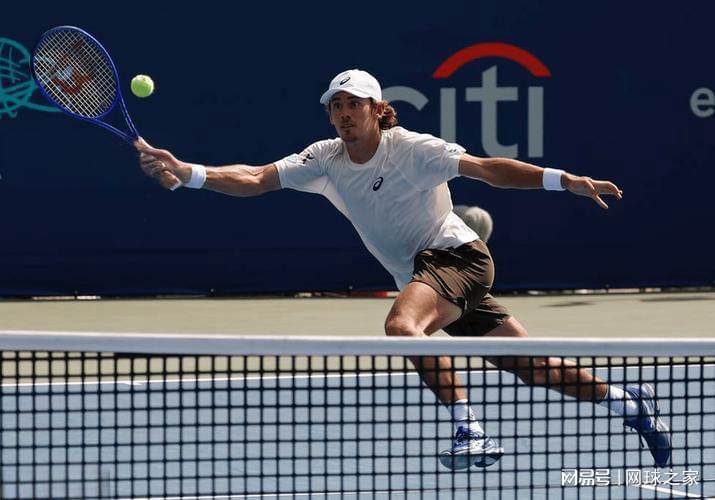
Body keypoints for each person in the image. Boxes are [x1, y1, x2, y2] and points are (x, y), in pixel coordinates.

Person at [135, 69, 670, 470]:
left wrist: (565, 180)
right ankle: (629, 404)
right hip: (428, 276)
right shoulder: (324, 158)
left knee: (401, 326)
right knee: (536, 369)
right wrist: (188, 173)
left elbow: (488, 170)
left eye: (354, 104)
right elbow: (255, 178)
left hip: (457, 258)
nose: (343, 113)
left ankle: (469, 431)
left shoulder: (412, 149)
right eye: (336, 106)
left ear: (378, 110)